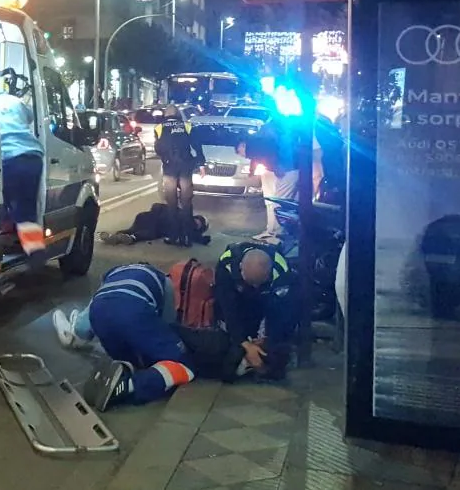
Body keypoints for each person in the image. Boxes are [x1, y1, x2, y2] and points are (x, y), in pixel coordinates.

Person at [52, 263, 196, 412]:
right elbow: (168, 324)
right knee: (183, 364)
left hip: (100, 314)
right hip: (134, 311)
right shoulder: (163, 281)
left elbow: (83, 329)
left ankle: (116, 373)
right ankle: (127, 386)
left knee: (134, 359)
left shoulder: (110, 281)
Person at [214, 242, 298, 379]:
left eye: (259, 282)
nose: (255, 286)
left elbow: (283, 310)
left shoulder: (281, 269)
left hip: (268, 298)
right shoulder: (226, 264)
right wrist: (244, 342)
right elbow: (227, 307)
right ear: (240, 268)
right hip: (238, 298)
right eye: (251, 282)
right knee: (232, 340)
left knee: (277, 344)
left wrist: (269, 338)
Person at [0, 71, 45, 254]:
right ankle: (33, 250)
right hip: (32, 156)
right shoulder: (17, 102)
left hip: (9, 156)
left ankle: (17, 245)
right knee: (26, 205)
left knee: (3, 201)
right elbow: (30, 118)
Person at [154, 105, 206, 247]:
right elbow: (196, 146)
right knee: (187, 202)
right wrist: (201, 164)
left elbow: (157, 148)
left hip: (170, 168)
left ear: (165, 115)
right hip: (185, 168)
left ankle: (174, 236)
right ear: (178, 115)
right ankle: (188, 236)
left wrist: (166, 157)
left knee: (171, 203)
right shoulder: (187, 126)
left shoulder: (159, 127)